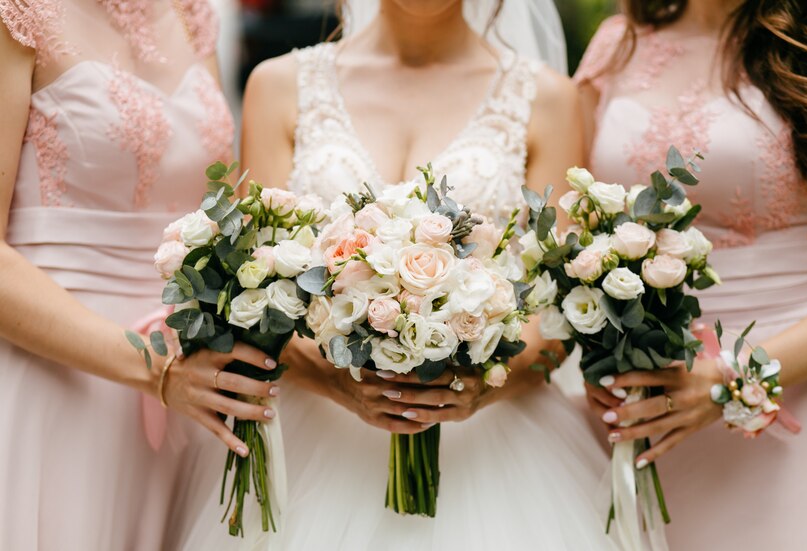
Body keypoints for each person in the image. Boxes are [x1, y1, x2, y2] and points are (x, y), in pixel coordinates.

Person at [179, 0, 619, 549]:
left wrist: (478, 388)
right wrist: (336, 381)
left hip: (494, 451)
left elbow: (555, 316)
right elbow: (259, 287)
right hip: (315, 437)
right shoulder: (278, 86)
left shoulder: (549, 98)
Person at [0, 2, 278, 549]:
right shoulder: (17, 13)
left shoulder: (193, 14)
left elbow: (219, 212)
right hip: (59, 379)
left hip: (191, 392)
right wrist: (156, 368)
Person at [576, 0, 807, 548]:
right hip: (639, 415)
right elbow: (574, 228)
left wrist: (731, 379)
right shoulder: (618, 41)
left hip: (799, 401)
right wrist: (596, 357)